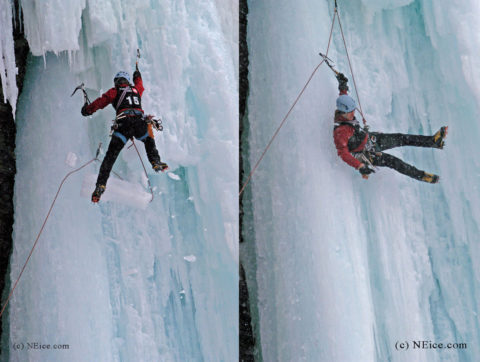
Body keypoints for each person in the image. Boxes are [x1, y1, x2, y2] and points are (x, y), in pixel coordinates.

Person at [333, 73, 447, 184]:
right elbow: (343, 153)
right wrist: (360, 166)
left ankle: (433, 141)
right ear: (343, 113)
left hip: (371, 139)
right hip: (367, 154)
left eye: (353, 110)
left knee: (401, 138)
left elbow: (343, 96)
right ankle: (422, 176)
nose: (353, 113)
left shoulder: (345, 109)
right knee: (394, 162)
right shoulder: (340, 132)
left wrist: (342, 84)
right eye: (350, 112)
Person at [81, 69, 168, 202]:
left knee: (110, 157)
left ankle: (100, 185)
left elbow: (100, 102)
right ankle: (155, 161)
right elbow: (140, 84)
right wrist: (137, 74)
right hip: (139, 123)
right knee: (148, 138)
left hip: (123, 125)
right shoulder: (135, 90)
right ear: (127, 81)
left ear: (117, 82)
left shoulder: (114, 91)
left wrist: (87, 110)